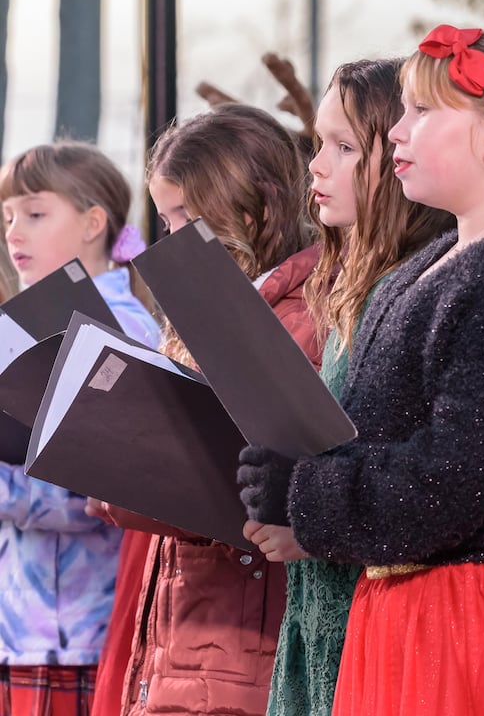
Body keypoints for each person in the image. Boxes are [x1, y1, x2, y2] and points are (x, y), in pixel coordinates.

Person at [239, 25, 484, 715]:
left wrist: (309, 494)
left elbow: (468, 470)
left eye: (423, 112)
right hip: (414, 611)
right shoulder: (425, 270)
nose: (399, 132)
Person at [90, 103, 322, 716]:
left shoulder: (302, 319)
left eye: (187, 219)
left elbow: (245, 484)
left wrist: (127, 471)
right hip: (182, 632)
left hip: (243, 645)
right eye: (163, 221)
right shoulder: (203, 310)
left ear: (256, 208)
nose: (171, 240)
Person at [238, 60, 452, 716]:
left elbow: (432, 478)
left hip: (375, 625)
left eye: (344, 148)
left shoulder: (415, 290)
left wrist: (314, 521)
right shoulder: (351, 287)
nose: (317, 167)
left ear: (399, 159)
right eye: (316, 145)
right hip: (318, 615)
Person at [0, 143, 160, 716]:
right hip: (23, 628)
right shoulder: (18, 323)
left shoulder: (126, 329)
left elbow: (109, 491)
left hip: (83, 633)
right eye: (9, 215)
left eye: (36, 213)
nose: (16, 230)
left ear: (95, 222)